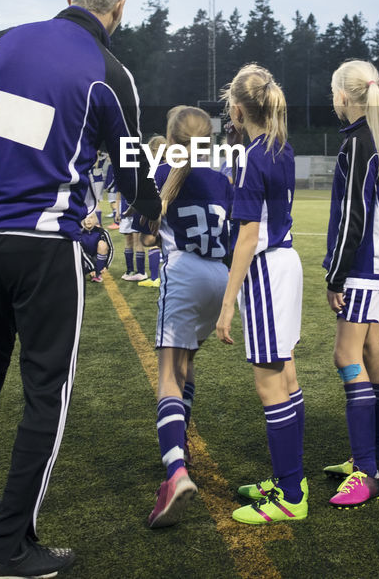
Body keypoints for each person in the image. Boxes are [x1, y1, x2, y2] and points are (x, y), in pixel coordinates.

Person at [0, 0, 161, 579]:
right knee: (46, 389)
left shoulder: (8, 41)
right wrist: (155, 211)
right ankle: (6, 550)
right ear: (118, 11)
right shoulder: (111, 72)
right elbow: (132, 173)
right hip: (43, 241)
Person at [214, 64, 309, 525]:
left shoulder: (255, 155)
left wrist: (227, 303)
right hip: (285, 263)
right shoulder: (281, 147)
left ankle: (290, 496)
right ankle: (292, 480)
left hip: (267, 268)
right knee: (285, 375)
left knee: (269, 381)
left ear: (236, 109)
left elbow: (248, 237)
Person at [145, 108, 232, 528]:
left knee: (167, 375)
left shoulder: (162, 173)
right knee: (189, 364)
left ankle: (175, 471)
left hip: (183, 271)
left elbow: (146, 235)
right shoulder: (220, 178)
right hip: (220, 274)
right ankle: (181, 446)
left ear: (171, 136)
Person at [320, 60, 379, 508]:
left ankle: (366, 470)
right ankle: (375, 458)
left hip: (362, 268)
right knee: (371, 352)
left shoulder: (357, 143)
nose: (333, 97)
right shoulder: (378, 139)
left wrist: (336, 274)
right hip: (378, 266)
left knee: (346, 355)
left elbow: (353, 217)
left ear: (344, 97)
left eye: (334, 90)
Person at [137, 135, 167, 289]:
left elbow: (152, 191)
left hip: (159, 209)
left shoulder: (156, 168)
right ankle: (161, 275)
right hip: (173, 210)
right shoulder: (172, 166)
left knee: (151, 241)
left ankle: (155, 277)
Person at [79, 212, 114, 284]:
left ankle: (98, 273)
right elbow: (81, 252)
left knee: (102, 244)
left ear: (95, 219)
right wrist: (91, 267)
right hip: (84, 260)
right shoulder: (78, 233)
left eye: (91, 218)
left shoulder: (102, 232)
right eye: (86, 218)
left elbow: (111, 249)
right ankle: (87, 271)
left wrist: (106, 266)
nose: (88, 220)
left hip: (97, 259)